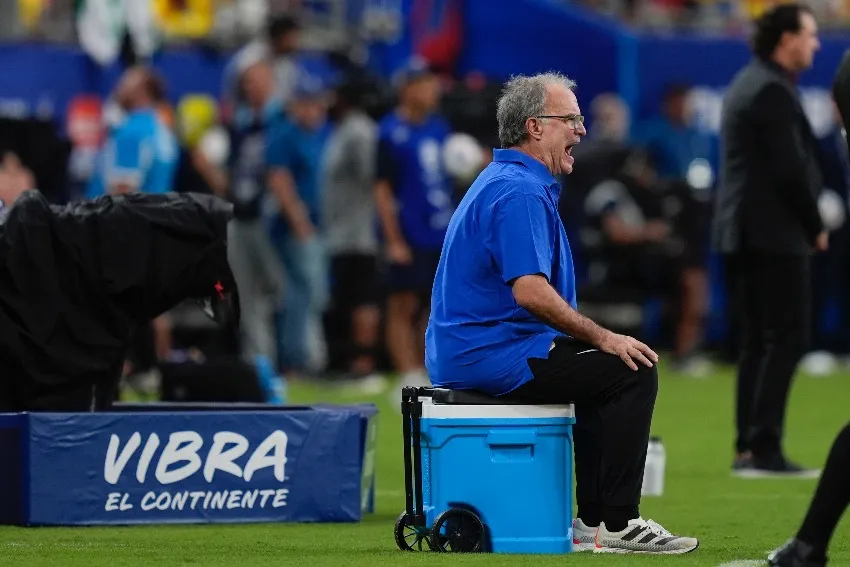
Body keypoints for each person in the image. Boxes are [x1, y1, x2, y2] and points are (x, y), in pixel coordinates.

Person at [424, 71, 699, 554]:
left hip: (481, 346)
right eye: (571, 118)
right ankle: (616, 523)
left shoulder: (505, 180)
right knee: (631, 370)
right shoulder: (519, 190)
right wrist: (603, 336)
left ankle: (593, 523)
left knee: (605, 373)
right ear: (535, 127)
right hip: (490, 353)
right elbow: (530, 292)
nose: (582, 129)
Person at [712, 2, 824, 478]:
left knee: (759, 342)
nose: (816, 44)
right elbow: (789, 170)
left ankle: (748, 450)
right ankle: (765, 449)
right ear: (787, 39)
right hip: (770, 233)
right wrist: (814, 221)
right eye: (810, 34)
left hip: (744, 230)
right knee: (786, 338)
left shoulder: (750, 83)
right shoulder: (772, 92)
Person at [375, 58, 454, 393]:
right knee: (402, 302)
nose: (432, 90)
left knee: (435, 303)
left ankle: (424, 367)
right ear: (407, 89)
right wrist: (393, 239)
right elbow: (381, 189)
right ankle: (406, 371)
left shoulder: (440, 128)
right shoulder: (390, 132)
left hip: (440, 231)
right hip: (409, 231)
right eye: (425, 83)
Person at [266, 75, 332, 376]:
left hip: (317, 224)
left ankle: (305, 357)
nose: (311, 110)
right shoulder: (285, 134)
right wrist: (299, 222)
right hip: (295, 228)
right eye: (305, 104)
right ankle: (297, 359)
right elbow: (279, 181)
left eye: (315, 104)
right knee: (301, 292)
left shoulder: (318, 135)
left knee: (307, 293)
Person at [321, 74, 382, 380]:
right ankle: (348, 362)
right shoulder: (342, 130)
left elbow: (374, 179)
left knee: (362, 298)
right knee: (346, 299)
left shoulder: (359, 132)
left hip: (359, 232)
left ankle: (364, 364)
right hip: (340, 231)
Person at [86, 66, 178, 198]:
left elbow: (122, 192)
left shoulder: (131, 131)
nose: (118, 89)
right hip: (156, 214)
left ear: (140, 92)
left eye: (125, 84)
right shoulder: (161, 128)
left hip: (125, 216)